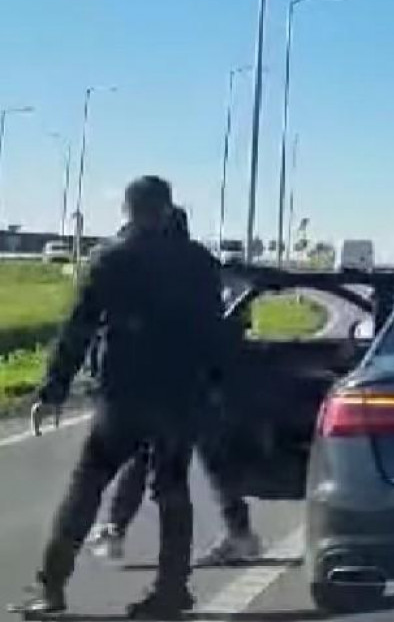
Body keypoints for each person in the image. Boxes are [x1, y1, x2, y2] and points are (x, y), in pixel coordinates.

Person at [21, 177, 228, 618]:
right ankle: (172, 590)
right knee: (172, 491)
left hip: (124, 395)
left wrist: (54, 388)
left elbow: (79, 326)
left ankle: (51, 589)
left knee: (87, 487)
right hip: (180, 396)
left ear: (128, 210)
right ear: (169, 209)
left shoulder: (112, 258)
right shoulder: (201, 263)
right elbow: (217, 335)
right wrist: (216, 389)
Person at [84, 207, 263, 567]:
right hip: (206, 383)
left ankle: (116, 530)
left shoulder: (157, 272)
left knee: (146, 457)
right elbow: (230, 326)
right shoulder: (205, 268)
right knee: (212, 461)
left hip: (167, 385)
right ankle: (240, 534)